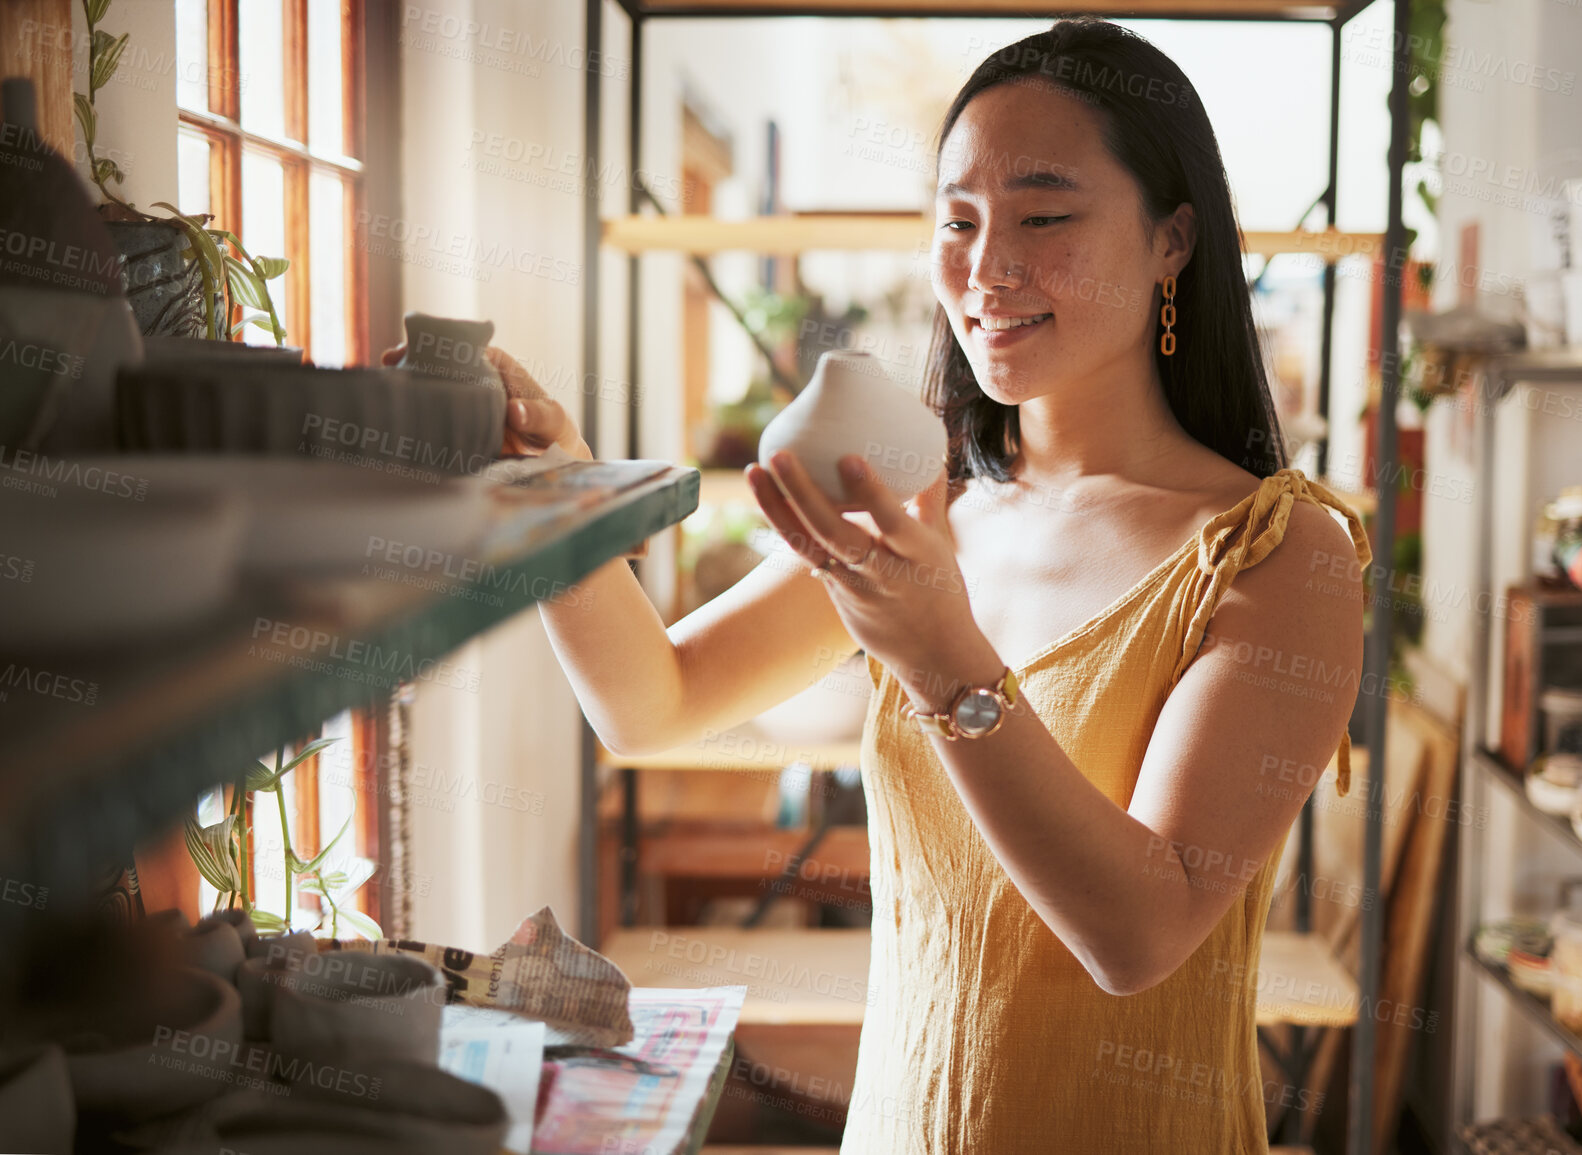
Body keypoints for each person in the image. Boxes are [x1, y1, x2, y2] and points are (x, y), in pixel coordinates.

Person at [417, 16, 1371, 1152]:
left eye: (1044, 215)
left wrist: (936, 654)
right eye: (957, 222)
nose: (987, 268)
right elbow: (649, 702)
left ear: (1173, 240)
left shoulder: (1277, 552)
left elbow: (1139, 933)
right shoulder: (929, 508)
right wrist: (558, 493)